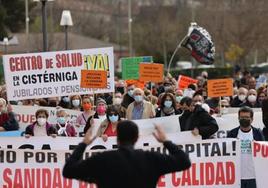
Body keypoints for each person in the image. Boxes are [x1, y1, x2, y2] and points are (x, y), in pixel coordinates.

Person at [63, 120, 191, 188]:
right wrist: (166, 141)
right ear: (136, 138)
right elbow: (184, 161)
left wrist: (83, 144)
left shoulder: (102, 159)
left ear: (117, 139)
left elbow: (68, 170)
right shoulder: (151, 158)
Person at [227, 106, 264, 188]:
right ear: (238, 118)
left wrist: (258, 146)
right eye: (242, 117)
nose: (244, 119)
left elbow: (263, 152)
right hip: (236, 176)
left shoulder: (258, 133)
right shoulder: (232, 133)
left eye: (247, 117)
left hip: (253, 175)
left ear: (252, 119)